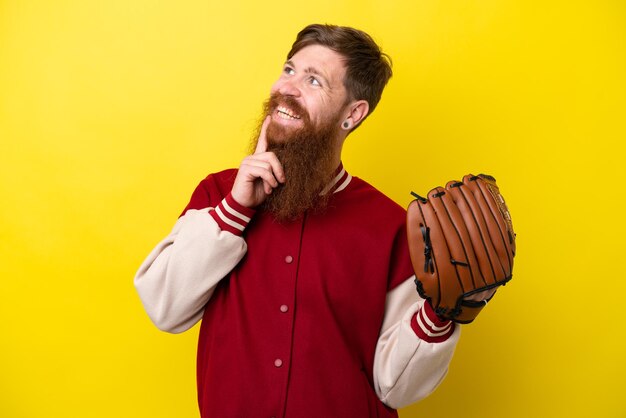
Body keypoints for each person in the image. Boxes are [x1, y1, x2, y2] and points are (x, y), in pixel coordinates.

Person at [134, 24, 460, 418]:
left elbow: (396, 385)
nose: (289, 88)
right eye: (289, 70)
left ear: (353, 114)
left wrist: (439, 314)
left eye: (313, 80)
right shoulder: (218, 193)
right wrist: (234, 210)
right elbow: (164, 307)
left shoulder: (392, 227)